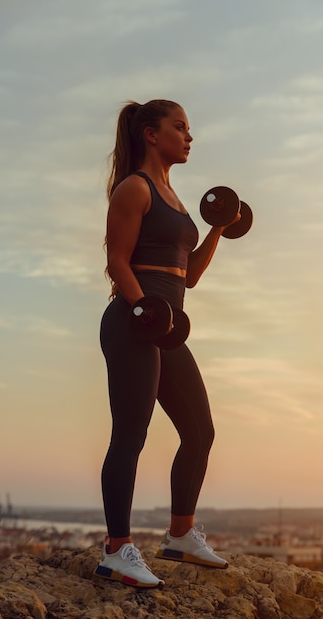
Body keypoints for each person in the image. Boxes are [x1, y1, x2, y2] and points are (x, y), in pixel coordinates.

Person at [95, 99, 239, 588]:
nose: (189, 136)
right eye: (180, 127)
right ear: (151, 135)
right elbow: (117, 261)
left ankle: (180, 535)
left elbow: (189, 276)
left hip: (167, 326)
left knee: (200, 431)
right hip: (135, 322)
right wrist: (143, 313)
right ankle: (117, 549)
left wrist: (220, 225)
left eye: (190, 128)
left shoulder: (174, 199)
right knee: (131, 436)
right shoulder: (134, 189)